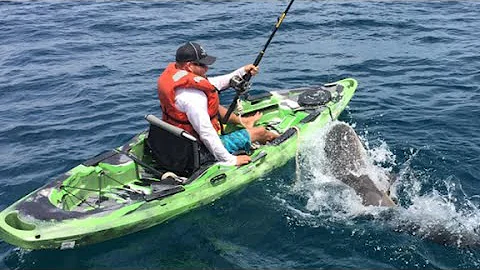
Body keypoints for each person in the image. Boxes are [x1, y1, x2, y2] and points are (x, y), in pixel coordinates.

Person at [157, 42, 279, 166]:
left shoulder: (178, 76)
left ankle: (244, 121)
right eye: (203, 65)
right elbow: (206, 133)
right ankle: (278, 138)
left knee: (213, 104)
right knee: (260, 132)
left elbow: (212, 84)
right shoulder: (193, 98)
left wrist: (242, 72)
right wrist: (230, 160)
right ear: (189, 66)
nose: (207, 68)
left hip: (177, 143)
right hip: (197, 152)